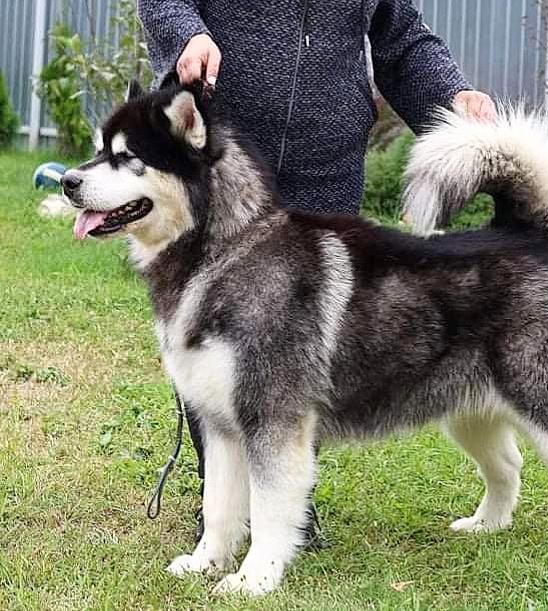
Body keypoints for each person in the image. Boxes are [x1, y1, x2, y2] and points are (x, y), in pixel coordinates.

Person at [138, 0, 496, 546]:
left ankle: (285, 506)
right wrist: (186, 34)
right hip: (221, 155)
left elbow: (400, 37)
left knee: (302, 346)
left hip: (326, 159)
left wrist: (451, 95)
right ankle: (227, 512)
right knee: (215, 332)